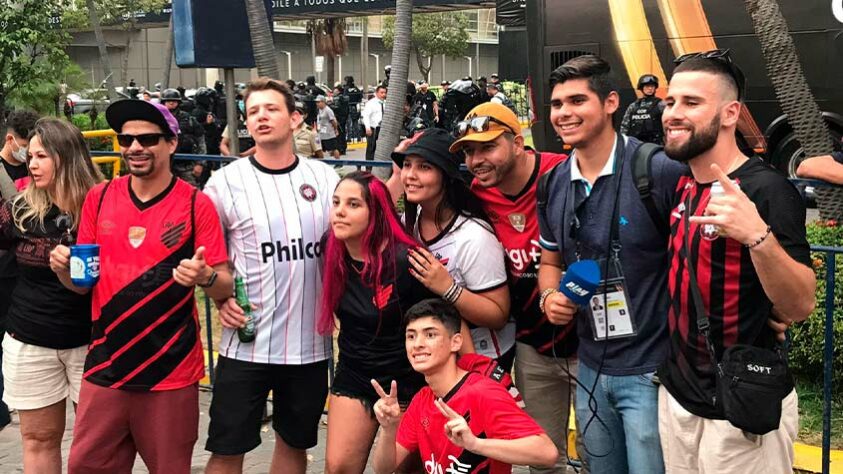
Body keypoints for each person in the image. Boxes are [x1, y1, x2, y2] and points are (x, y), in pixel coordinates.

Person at [50, 100, 233, 474]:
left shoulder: (197, 205)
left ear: (171, 143)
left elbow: (224, 284)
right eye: (126, 139)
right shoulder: (99, 199)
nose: (135, 147)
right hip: (106, 365)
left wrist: (205, 278)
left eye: (148, 138)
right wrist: (63, 270)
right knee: (86, 466)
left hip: (170, 369)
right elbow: (82, 287)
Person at [658, 51, 816, 473]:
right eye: (670, 102)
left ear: (730, 113)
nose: (673, 113)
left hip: (741, 408)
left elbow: (801, 305)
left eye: (691, 103)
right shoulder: (684, 183)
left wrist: (756, 237)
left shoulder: (767, 189)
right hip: (679, 399)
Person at [536, 55, 686, 474]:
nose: (563, 113)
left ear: (610, 102)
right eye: (557, 104)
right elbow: (549, 261)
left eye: (576, 101)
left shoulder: (657, 170)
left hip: (652, 372)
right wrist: (550, 296)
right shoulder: (553, 183)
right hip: (589, 369)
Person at [202, 78, 338, 474]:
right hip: (246, 344)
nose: (261, 117)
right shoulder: (225, 182)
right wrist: (221, 298)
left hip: (308, 346)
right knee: (227, 448)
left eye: (271, 109)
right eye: (254, 111)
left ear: (295, 119)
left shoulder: (324, 178)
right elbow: (213, 257)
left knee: (293, 445)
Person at [448, 102, 579, 473]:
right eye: (470, 151)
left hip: (592, 339)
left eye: (488, 147)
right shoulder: (475, 193)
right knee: (543, 456)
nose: (477, 160)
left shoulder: (562, 171)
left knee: (597, 453)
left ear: (518, 143)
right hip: (531, 343)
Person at [320, 171, 438, 473]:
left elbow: (441, 321)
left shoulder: (406, 260)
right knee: (338, 467)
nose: (340, 212)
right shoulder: (330, 249)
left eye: (353, 204)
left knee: (400, 469)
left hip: (405, 379)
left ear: (375, 213)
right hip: (355, 371)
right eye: (336, 203)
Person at [0, 118, 100, 472]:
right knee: (39, 439)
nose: (32, 163)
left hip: (91, 342)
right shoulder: (21, 208)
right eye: (31, 155)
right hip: (30, 339)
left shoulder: (102, 205)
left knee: (97, 443)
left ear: (67, 157)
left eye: (42, 156)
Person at [371, 298, 558, 474]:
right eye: (411, 336)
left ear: (456, 342)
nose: (417, 344)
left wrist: (475, 444)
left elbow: (547, 453)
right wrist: (388, 429)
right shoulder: (422, 399)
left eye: (430, 335)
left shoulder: (484, 392)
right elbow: (384, 469)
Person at [390, 128, 514, 369]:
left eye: (424, 167)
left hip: (481, 358)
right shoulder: (410, 223)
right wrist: (396, 177)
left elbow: (498, 314)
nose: (411, 176)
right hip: (436, 355)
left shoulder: (473, 236)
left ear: (445, 176)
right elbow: (370, 218)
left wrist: (448, 288)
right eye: (407, 165)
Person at [0, 110, 39, 432]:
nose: (32, 156)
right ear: (10, 139)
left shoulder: (37, 168)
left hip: (28, 271)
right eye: (27, 147)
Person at [161, 88, 205, 187]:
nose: (171, 103)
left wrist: (200, 163)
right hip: (164, 166)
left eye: (174, 101)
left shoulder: (189, 119)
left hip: (187, 165)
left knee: (192, 194)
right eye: (168, 101)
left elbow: (201, 141)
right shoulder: (157, 119)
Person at [620, 74, 665, 144]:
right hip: (636, 144)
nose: (650, 88)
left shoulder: (661, 104)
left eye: (652, 86)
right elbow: (625, 126)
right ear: (641, 88)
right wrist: (623, 142)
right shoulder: (634, 106)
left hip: (656, 144)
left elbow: (668, 123)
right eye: (647, 86)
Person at [363, 85, 387, 162]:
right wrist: (367, 127)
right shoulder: (371, 103)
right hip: (373, 128)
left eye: (385, 93)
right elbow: (366, 116)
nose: (383, 94)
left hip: (384, 128)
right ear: (376, 93)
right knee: (371, 147)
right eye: (381, 93)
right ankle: (369, 166)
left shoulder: (386, 103)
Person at [316, 95, 341, 159]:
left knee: (333, 148)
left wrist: (335, 129)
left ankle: (338, 163)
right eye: (317, 102)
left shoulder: (328, 110)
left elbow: (333, 121)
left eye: (319, 102)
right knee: (320, 149)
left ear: (323, 102)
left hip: (329, 133)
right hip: (322, 133)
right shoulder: (319, 110)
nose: (317, 104)